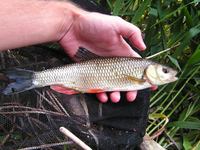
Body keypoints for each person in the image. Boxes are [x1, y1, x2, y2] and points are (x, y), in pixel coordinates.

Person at [0, 0, 155, 103]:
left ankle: (33, 79)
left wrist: (69, 24)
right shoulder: (141, 76)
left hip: (86, 74)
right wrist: (70, 24)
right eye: (165, 71)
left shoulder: (142, 76)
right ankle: (34, 79)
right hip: (84, 72)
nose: (168, 74)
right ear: (150, 70)